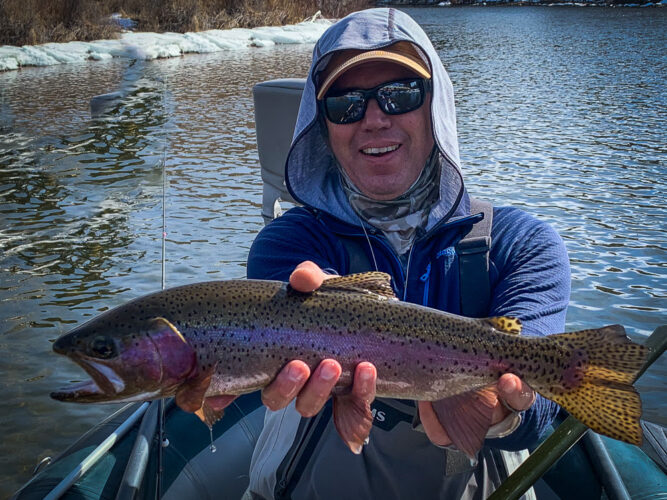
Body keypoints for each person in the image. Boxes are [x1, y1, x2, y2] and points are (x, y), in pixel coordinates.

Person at [245, 7, 570, 499]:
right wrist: (338, 317)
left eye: (400, 96)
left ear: (435, 106)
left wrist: (503, 409)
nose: (374, 119)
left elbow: (539, 413)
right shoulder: (287, 245)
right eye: (346, 104)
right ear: (323, 124)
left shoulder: (522, 245)